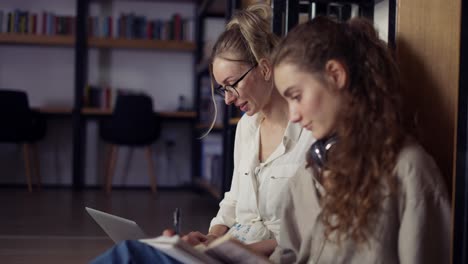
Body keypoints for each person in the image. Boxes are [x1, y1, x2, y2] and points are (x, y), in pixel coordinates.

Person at [91, 4, 315, 263]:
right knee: (134, 251)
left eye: (232, 85)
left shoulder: (310, 133)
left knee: (130, 254)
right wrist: (213, 237)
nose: (228, 100)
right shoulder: (246, 127)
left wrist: (242, 250)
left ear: (264, 69)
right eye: (223, 89)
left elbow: (310, 232)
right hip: (231, 249)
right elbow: (233, 199)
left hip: (267, 257)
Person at [269, 16, 451, 263]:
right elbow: (287, 255)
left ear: (335, 75)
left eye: (297, 96)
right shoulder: (306, 174)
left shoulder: (409, 170)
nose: (293, 115)